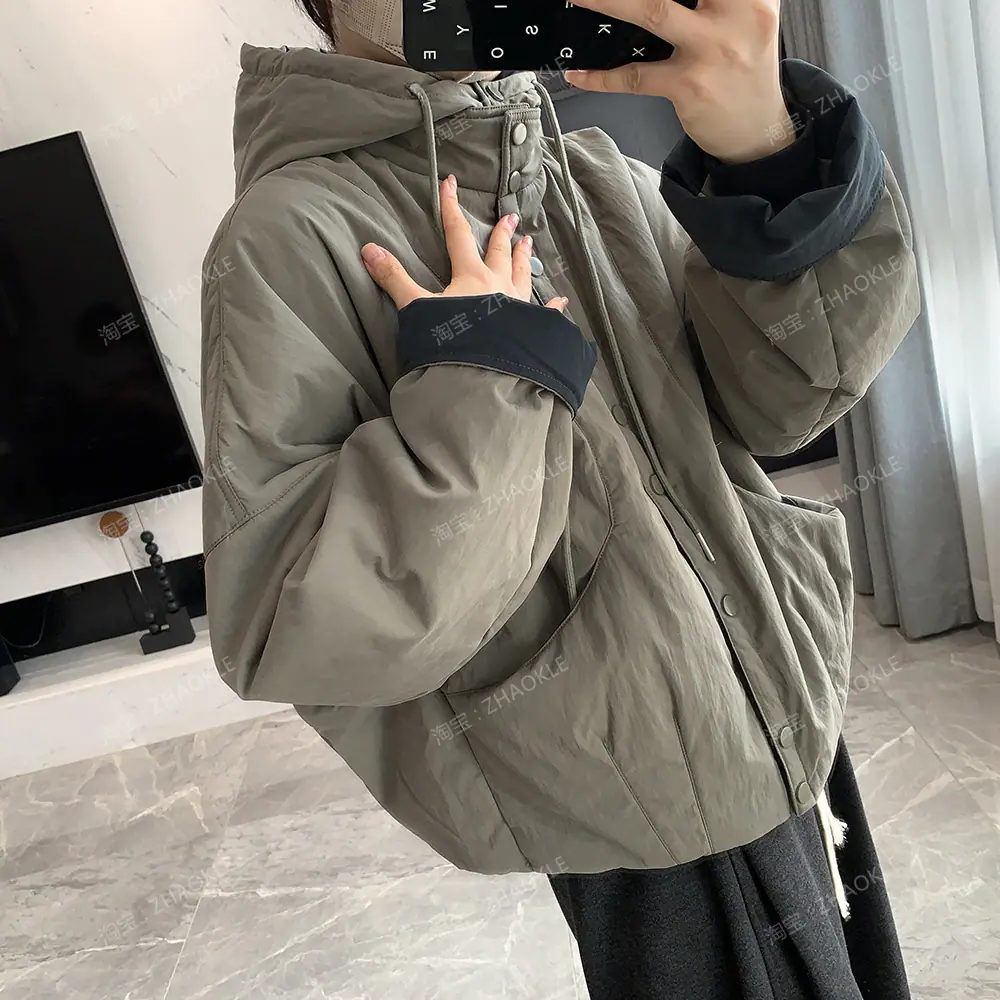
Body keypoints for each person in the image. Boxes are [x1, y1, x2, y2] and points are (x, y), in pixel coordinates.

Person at [199, 0, 920, 995]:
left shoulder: (594, 175)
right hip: (632, 792)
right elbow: (297, 629)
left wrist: (771, 168)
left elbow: (783, 403)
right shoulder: (287, 236)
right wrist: (483, 382)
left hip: (776, 702)